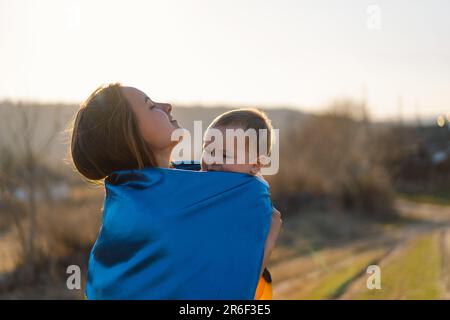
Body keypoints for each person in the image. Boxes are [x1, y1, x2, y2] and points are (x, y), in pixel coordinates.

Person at [201, 108, 282, 299]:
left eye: (224, 155)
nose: (212, 160)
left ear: (256, 164)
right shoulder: (208, 183)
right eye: (208, 150)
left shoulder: (250, 199)